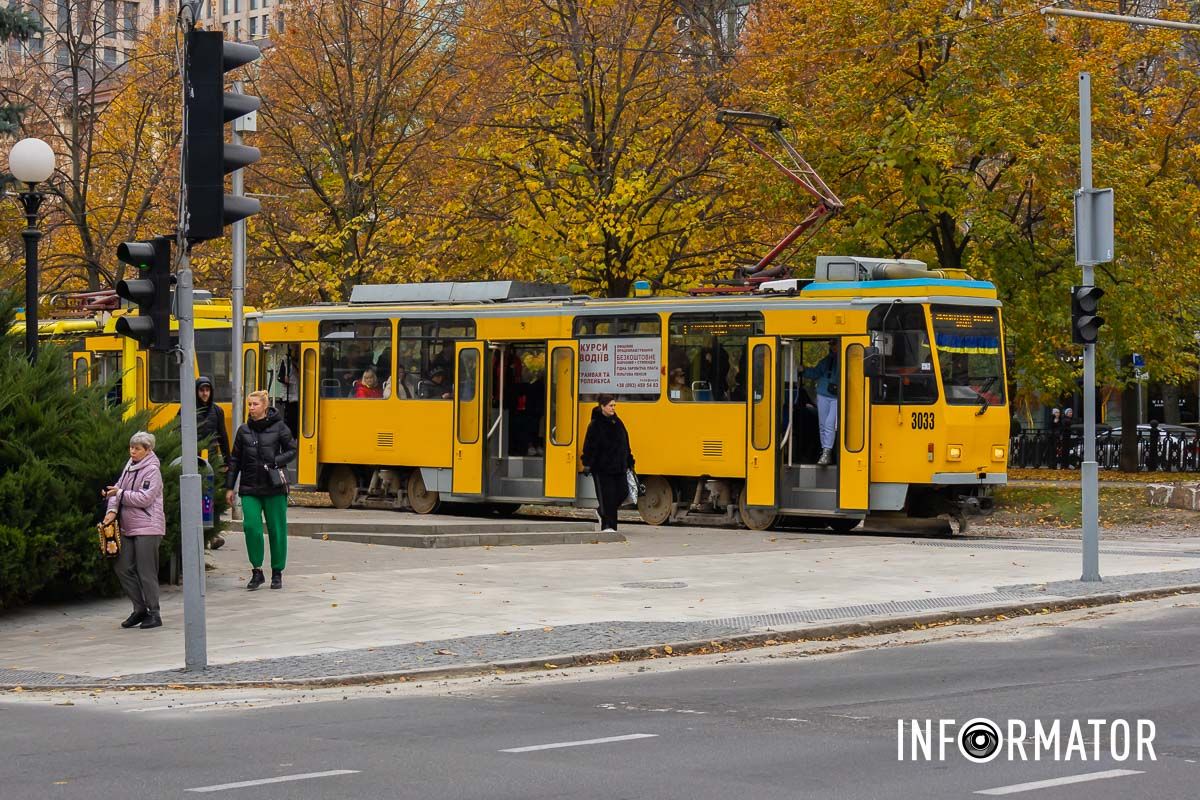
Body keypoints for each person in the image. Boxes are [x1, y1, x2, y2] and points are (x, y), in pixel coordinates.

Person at [226, 390, 297, 591]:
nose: (251, 408)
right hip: (250, 487)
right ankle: (257, 571)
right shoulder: (243, 431)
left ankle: (277, 572)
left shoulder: (279, 427)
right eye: (249, 404)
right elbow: (234, 460)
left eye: (255, 404)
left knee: (277, 530)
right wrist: (229, 487)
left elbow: (292, 449)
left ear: (265, 406)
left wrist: (276, 461)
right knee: (251, 527)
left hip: (274, 487)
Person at [101, 431, 166, 630]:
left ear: (148, 450)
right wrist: (111, 510)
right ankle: (139, 609)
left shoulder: (153, 470)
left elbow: (144, 498)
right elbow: (117, 490)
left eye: (137, 449)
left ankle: (154, 613)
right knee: (122, 567)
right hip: (128, 526)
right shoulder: (129, 466)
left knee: (146, 571)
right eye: (131, 447)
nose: (132, 451)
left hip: (149, 526)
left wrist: (120, 493)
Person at [581, 394, 636, 533]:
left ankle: (602, 512)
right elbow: (589, 446)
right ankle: (607, 526)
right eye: (610, 405)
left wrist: (629, 460)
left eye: (614, 405)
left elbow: (625, 442)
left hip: (619, 467)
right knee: (607, 497)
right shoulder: (595, 425)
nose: (613, 408)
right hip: (602, 468)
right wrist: (587, 463)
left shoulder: (618, 422)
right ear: (602, 407)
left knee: (623, 492)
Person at [804, 340, 840, 466]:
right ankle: (825, 451)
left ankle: (827, 451)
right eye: (831, 344)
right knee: (823, 424)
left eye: (835, 344)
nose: (832, 346)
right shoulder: (826, 360)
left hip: (837, 397)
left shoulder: (846, 359)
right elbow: (815, 373)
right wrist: (803, 370)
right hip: (823, 394)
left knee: (830, 424)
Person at [195, 377, 231, 465]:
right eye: (201, 390)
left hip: (212, 456)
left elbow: (223, 437)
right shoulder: (187, 410)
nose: (205, 393)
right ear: (196, 391)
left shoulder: (217, 410)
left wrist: (227, 462)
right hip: (193, 456)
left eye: (207, 390)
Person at [275, 350, 300, 437]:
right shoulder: (286, 361)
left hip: (298, 395)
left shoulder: (299, 360)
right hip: (290, 397)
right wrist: (285, 379)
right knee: (291, 419)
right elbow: (280, 377)